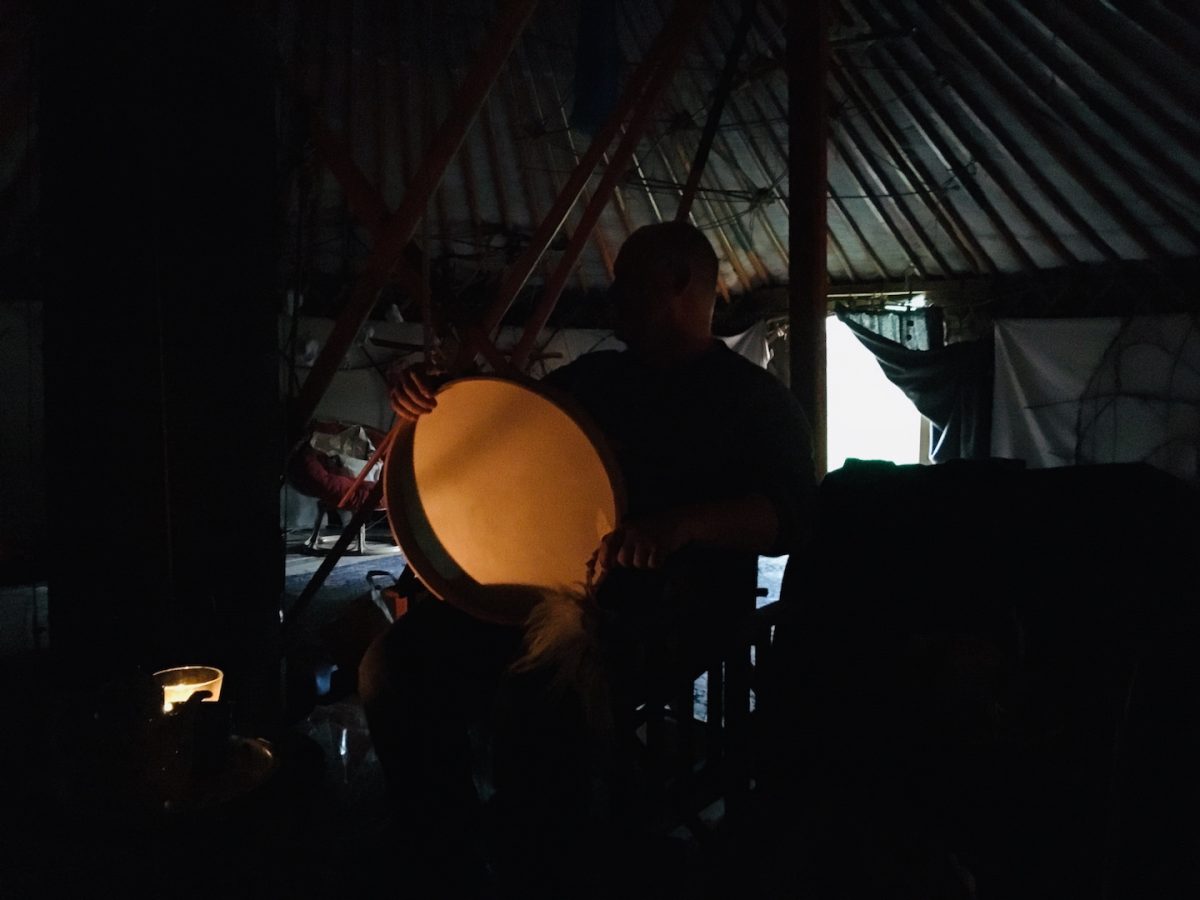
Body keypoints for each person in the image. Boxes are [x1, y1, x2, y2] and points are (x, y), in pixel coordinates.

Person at [360, 220, 816, 897]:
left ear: (677, 282)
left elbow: (791, 516)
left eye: (626, 282)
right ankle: (445, 854)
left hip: (669, 614)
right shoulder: (598, 378)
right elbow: (508, 422)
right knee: (394, 666)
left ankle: (547, 868)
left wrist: (681, 526)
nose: (612, 298)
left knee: (538, 701)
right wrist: (438, 397)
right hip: (537, 592)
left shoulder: (753, 400)